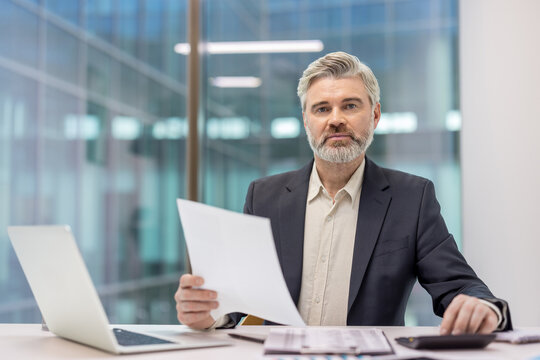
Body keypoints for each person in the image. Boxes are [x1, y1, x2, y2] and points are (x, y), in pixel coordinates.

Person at [174, 51, 512, 334]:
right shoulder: (264, 197)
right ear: (306, 121)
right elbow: (239, 301)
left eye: (350, 106)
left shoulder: (412, 197)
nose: (336, 120)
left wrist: (484, 309)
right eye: (322, 109)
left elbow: (461, 286)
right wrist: (208, 313)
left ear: (375, 115)